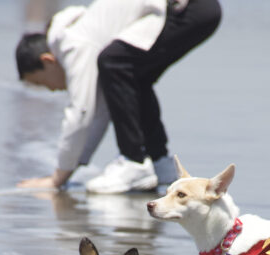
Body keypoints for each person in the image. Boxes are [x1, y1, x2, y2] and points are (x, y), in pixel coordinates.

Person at [15, 0, 221, 194]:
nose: (50, 89)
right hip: (198, 10)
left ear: (48, 61)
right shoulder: (87, 28)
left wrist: (56, 179)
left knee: (114, 62)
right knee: (132, 75)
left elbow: (81, 113)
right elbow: (100, 113)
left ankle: (134, 163)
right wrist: (71, 168)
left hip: (187, 10)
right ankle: (159, 162)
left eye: (41, 82)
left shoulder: (75, 42)